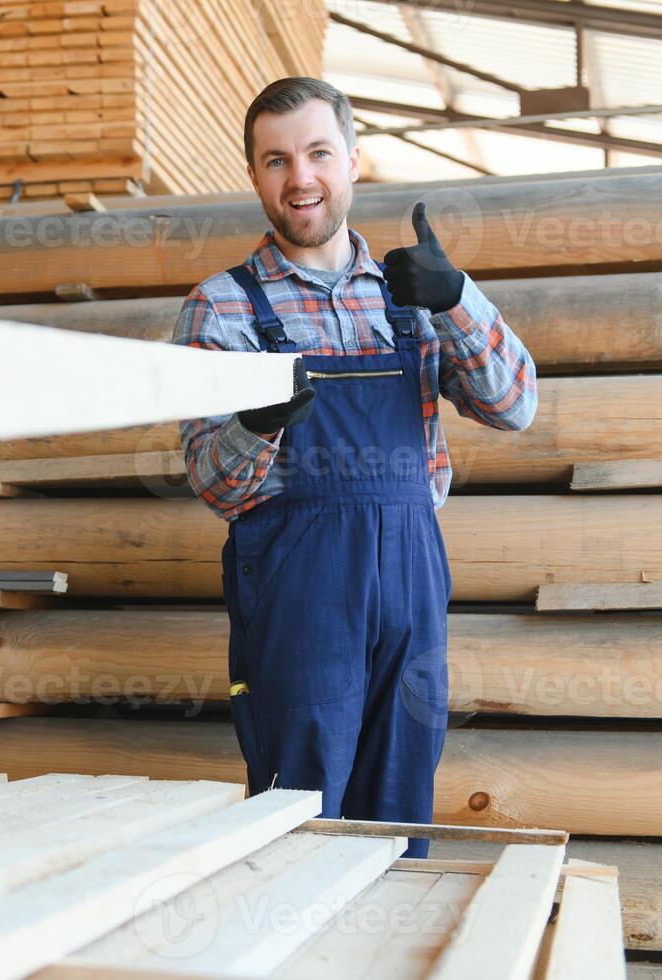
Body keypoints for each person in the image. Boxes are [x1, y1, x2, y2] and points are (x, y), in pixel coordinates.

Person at [174, 77, 538, 858]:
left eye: (316, 153)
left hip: (410, 577)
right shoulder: (221, 308)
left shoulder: (413, 299)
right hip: (297, 587)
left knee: (402, 789)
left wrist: (458, 300)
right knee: (299, 799)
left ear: (352, 161)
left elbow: (513, 406)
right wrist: (255, 425)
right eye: (275, 161)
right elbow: (212, 482)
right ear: (254, 176)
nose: (298, 178)